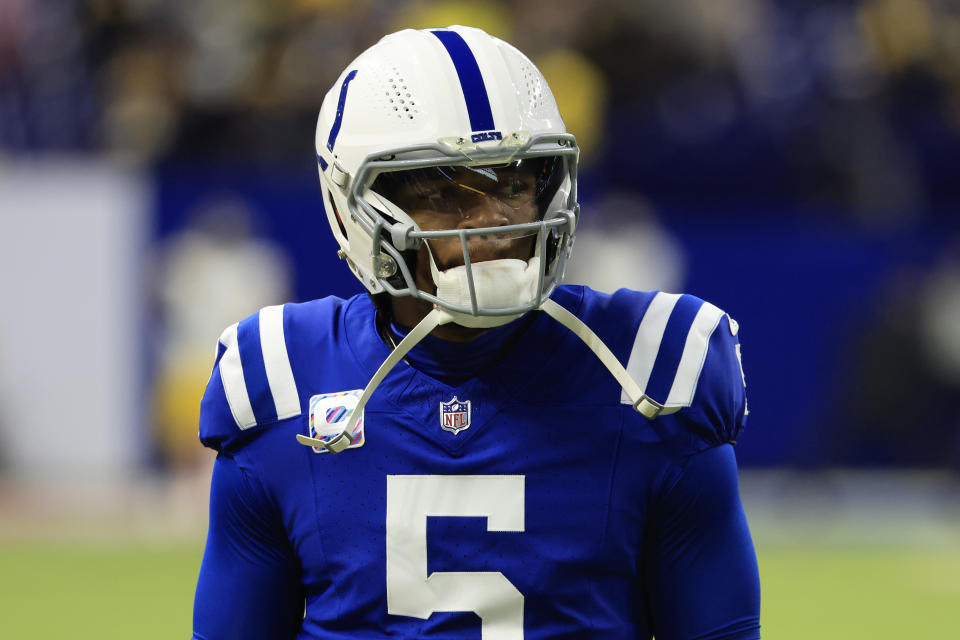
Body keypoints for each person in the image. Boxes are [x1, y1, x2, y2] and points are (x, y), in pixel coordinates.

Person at [192, 25, 760, 640]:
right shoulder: (279, 377)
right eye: (443, 190)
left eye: (515, 183)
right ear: (350, 207)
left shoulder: (653, 369)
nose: (493, 218)